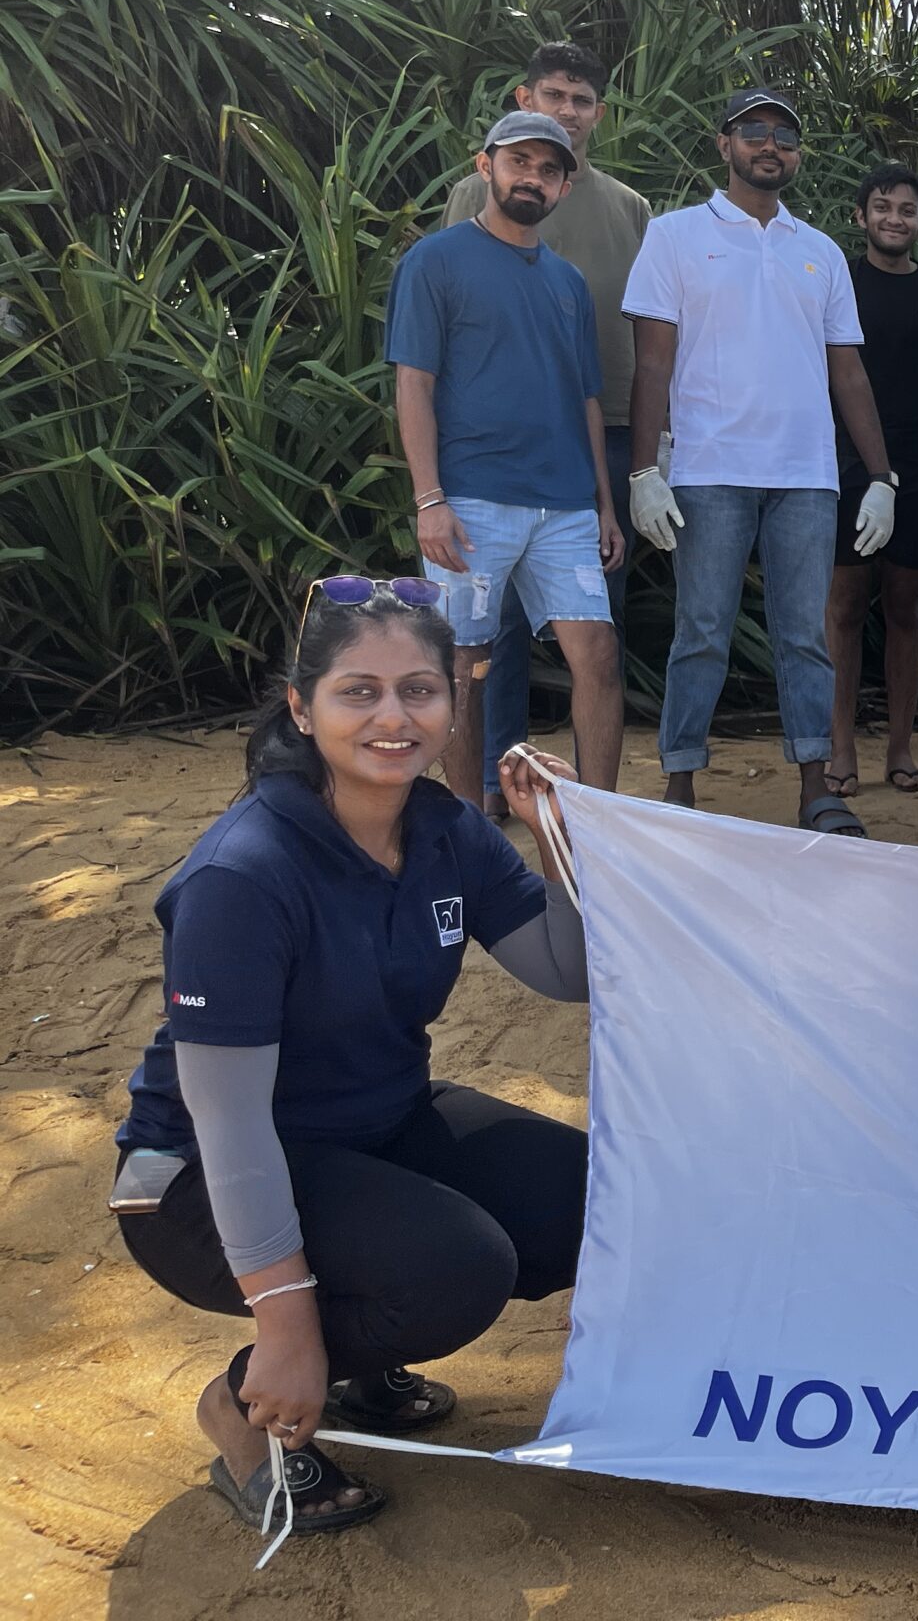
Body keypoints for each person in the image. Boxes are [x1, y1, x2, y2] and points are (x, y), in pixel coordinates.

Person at [112, 578, 597, 1536]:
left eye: (419, 690)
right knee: (459, 1269)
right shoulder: (243, 874)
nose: (393, 717)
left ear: (455, 702)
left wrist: (560, 842)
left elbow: (563, 970)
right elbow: (229, 1121)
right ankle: (246, 1403)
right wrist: (287, 1324)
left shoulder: (446, 829)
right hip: (200, 1180)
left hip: (372, 1127)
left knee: (595, 1200)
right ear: (302, 708)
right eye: (358, 692)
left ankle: (363, 1369)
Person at [622, 88, 897, 835]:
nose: (770, 144)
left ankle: (816, 789)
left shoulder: (821, 251)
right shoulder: (675, 236)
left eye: (785, 134)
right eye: (755, 131)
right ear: (725, 145)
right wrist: (644, 472)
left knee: (804, 635)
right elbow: (652, 364)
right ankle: (680, 787)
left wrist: (883, 477)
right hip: (709, 469)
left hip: (806, 475)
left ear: (797, 155)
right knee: (702, 631)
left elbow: (848, 372)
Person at [439, 41, 652, 818]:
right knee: (487, 628)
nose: (568, 110)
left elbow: (649, 327)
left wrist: (648, 457)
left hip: (605, 429)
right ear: (524, 98)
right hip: (490, 449)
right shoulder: (475, 191)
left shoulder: (630, 207)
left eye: (582, 100)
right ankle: (492, 783)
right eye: (554, 95)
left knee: (594, 625)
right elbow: (447, 322)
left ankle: (591, 808)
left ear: (600, 114)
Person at [391, 111, 624, 804]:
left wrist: (605, 506)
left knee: (598, 656)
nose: (533, 178)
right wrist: (429, 500)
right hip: (470, 502)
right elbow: (414, 383)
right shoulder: (434, 261)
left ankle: (597, 827)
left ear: (563, 187)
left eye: (548, 170)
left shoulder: (568, 282)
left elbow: (587, 399)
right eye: (519, 161)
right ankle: (467, 829)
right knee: (463, 664)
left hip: (566, 507)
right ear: (484, 166)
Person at [825, 162, 918, 802]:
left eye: (907, 209)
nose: (894, 219)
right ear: (861, 216)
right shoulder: (838, 282)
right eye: (882, 207)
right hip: (842, 462)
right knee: (844, 607)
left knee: (906, 609)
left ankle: (901, 749)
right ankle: (840, 749)